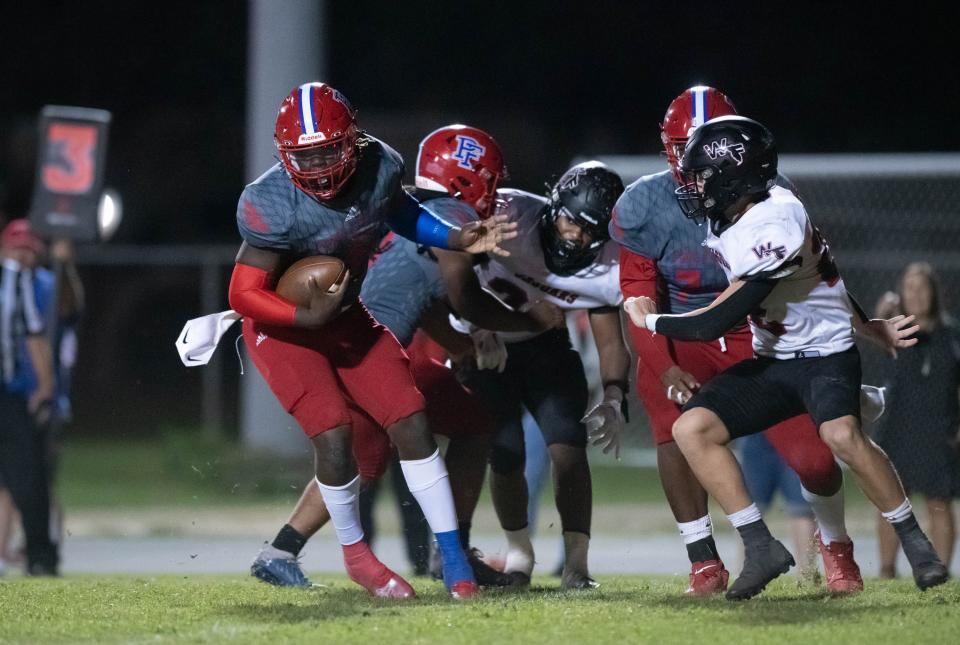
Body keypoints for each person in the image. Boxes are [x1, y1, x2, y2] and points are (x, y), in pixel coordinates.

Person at [624, 114, 949, 600]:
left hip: (823, 357)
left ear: (734, 176)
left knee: (840, 435)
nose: (692, 187)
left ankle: (915, 541)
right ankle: (761, 547)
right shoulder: (744, 212)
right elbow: (825, 275)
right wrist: (868, 323)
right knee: (690, 429)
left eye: (702, 176)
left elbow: (714, 320)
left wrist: (649, 321)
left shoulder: (772, 221)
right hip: (775, 358)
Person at [229, 84, 517, 599]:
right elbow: (242, 291)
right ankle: (357, 558)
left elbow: (401, 213)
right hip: (283, 325)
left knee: (411, 419)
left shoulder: (379, 164)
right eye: (305, 155)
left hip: (344, 314)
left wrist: (455, 237)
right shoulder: (269, 200)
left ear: (353, 139)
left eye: (327, 151)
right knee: (336, 437)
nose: (318, 167)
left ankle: (453, 559)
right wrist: (300, 312)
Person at [611, 86, 864, 595]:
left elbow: (815, 271)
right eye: (686, 146)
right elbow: (638, 295)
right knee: (671, 430)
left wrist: (861, 325)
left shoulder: (771, 194)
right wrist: (663, 366)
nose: (694, 159)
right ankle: (704, 560)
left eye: (706, 146)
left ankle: (837, 549)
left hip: (758, 332)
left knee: (814, 458)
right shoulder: (644, 203)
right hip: (684, 331)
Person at [437, 160, 630, 589]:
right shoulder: (509, 214)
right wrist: (477, 328)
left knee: (568, 450)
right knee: (505, 455)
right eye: (571, 223)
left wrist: (615, 394)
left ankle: (576, 565)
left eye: (590, 231)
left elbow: (611, 340)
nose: (577, 236)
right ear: (553, 205)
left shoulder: (608, 263)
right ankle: (520, 554)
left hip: (547, 350)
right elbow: (451, 276)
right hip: (487, 349)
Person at [873, 262, 960, 577]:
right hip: (899, 430)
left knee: (940, 502)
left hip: (940, 431)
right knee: (892, 502)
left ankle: (940, 571)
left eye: (922, 287)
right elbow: (873, 342)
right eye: (909, 287)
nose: (917, 294)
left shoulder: (951, 337)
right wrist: (881, 319)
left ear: (934, 293)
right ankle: (885, 570)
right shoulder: (894, 333)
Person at [0, 219, 58, 575]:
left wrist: (45, 385)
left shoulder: (24, 281)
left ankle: (40, 555)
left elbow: (36, 336)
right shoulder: (19, 280)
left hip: (11, 393)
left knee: (27, 477)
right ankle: (39, 555)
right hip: (10, 396)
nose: (22, 258)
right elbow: (35, 335)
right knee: (27, 476)